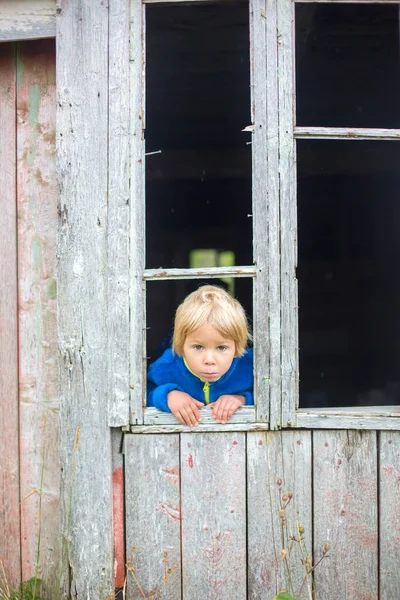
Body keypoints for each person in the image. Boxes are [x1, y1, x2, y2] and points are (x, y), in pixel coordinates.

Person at [147, 285, 253, 426]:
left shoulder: (250, 366)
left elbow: (272, 395)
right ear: (182, 345)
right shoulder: (166, 367)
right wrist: (167, 395)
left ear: (237, 347)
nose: (209, 360)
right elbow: (141, 395)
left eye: (221, 348)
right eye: (198, 347)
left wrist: (243, 399)